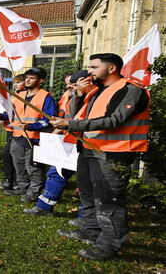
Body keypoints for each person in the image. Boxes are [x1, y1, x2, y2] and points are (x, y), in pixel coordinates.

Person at [52, 53, 149, 261]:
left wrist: (71, 125)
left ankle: (110, 245)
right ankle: (90, 230)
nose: (89, 71)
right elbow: (76, 115)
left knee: (108, 201)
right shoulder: (96, 91)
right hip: (89, 149)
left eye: (94, 67)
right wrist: (77, 94)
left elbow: (114, 120)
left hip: (113, 153)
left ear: (112, 68)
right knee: (87, 195)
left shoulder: (130, 89)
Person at [23, 70, 92, 217]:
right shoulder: (71, 96)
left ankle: (86, 219)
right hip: (70, 143)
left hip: (88, 145)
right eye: (69, 85)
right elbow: (66, 120)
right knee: (56, 173)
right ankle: (44, 207)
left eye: (73, 85)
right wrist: (53, 137)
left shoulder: (95, 97)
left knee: (87, 183)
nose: (70, 88)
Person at [0, 67, 55, 202]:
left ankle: (34, 191)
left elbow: (49, 120)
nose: (27, 80)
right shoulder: (20, 96)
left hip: (34, 138)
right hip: (17, 136)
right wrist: (0, 115)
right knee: (18, 163)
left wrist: (31, 126)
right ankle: (23, 186)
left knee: (33, 166)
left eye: (32, 78)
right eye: (27, 77)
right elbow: (13, 114)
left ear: (41, 81)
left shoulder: (46, 97)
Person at [0, 74, 25, 190]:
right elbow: (11, 113)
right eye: (14, 83)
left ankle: (15, 180)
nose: (15, 85)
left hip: (20, 131)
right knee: (8, 154)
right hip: (11, 130)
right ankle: (10, 179)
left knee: (13, 155)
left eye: (18, 82)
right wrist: (0, 115)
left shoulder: (25, 97)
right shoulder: (13, 96)